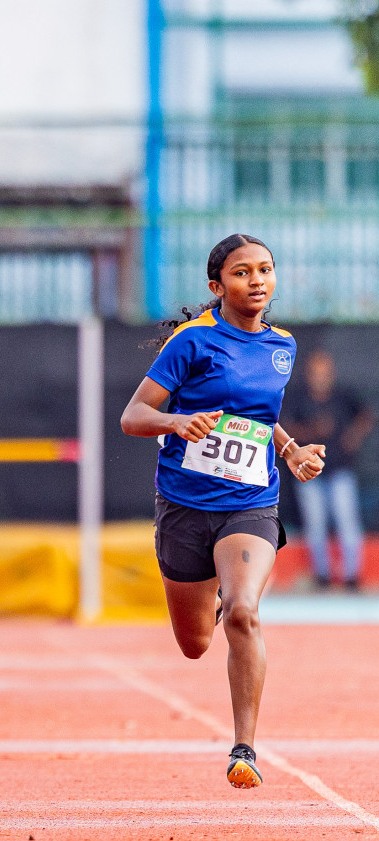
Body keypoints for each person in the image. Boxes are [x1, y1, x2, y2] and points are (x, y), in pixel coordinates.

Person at [121, 234, 325, 789]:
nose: (256, 280)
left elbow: (259, 418)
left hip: (251, 502)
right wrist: (174, 422)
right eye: (242, 273)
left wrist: (291, 451)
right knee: (194, 645)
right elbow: (133, 415)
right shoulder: (192, 343)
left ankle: (245, 749)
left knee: (243, 611)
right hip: (185, 504)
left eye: (265, 269)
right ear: (217, 286)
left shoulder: (283, 346)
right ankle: (206, 602)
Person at [282, 349, 374, 590]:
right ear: (309, 374)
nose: (320, 377)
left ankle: (352, 576)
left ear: (330, 373)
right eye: (316, 373)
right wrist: (312, 430)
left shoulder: (342, 395)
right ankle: (322, 576)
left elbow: (366, 416)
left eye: (324, 373)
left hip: (340, 469)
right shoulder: (299, 398)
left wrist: (352, 437)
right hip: (310, 470)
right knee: (315, 524)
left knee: (347, 522)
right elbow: (285, 428)